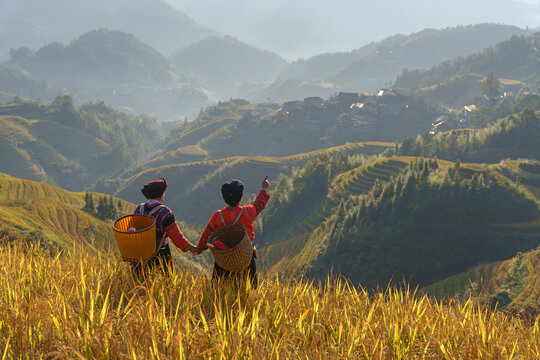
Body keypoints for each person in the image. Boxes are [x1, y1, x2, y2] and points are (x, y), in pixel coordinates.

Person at [195, 176, 270, 288]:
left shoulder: (217, 216)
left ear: (225, 200)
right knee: (251, 288)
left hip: (224, 259)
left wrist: (200, 248)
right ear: (240, 198)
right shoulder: (247, 212)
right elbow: (259, 204)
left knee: (218, 289)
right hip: (245, 256)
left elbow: (207, 234)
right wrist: (263, 189)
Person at [133, 178, 197, 275]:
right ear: (161, 195)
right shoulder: (164, 212)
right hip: (159, 254)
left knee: (139, 281)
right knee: (165, 284)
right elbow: (176, 236)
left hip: (140, 254)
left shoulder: (139, 209)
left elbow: (132, 230)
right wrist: (190, 247)